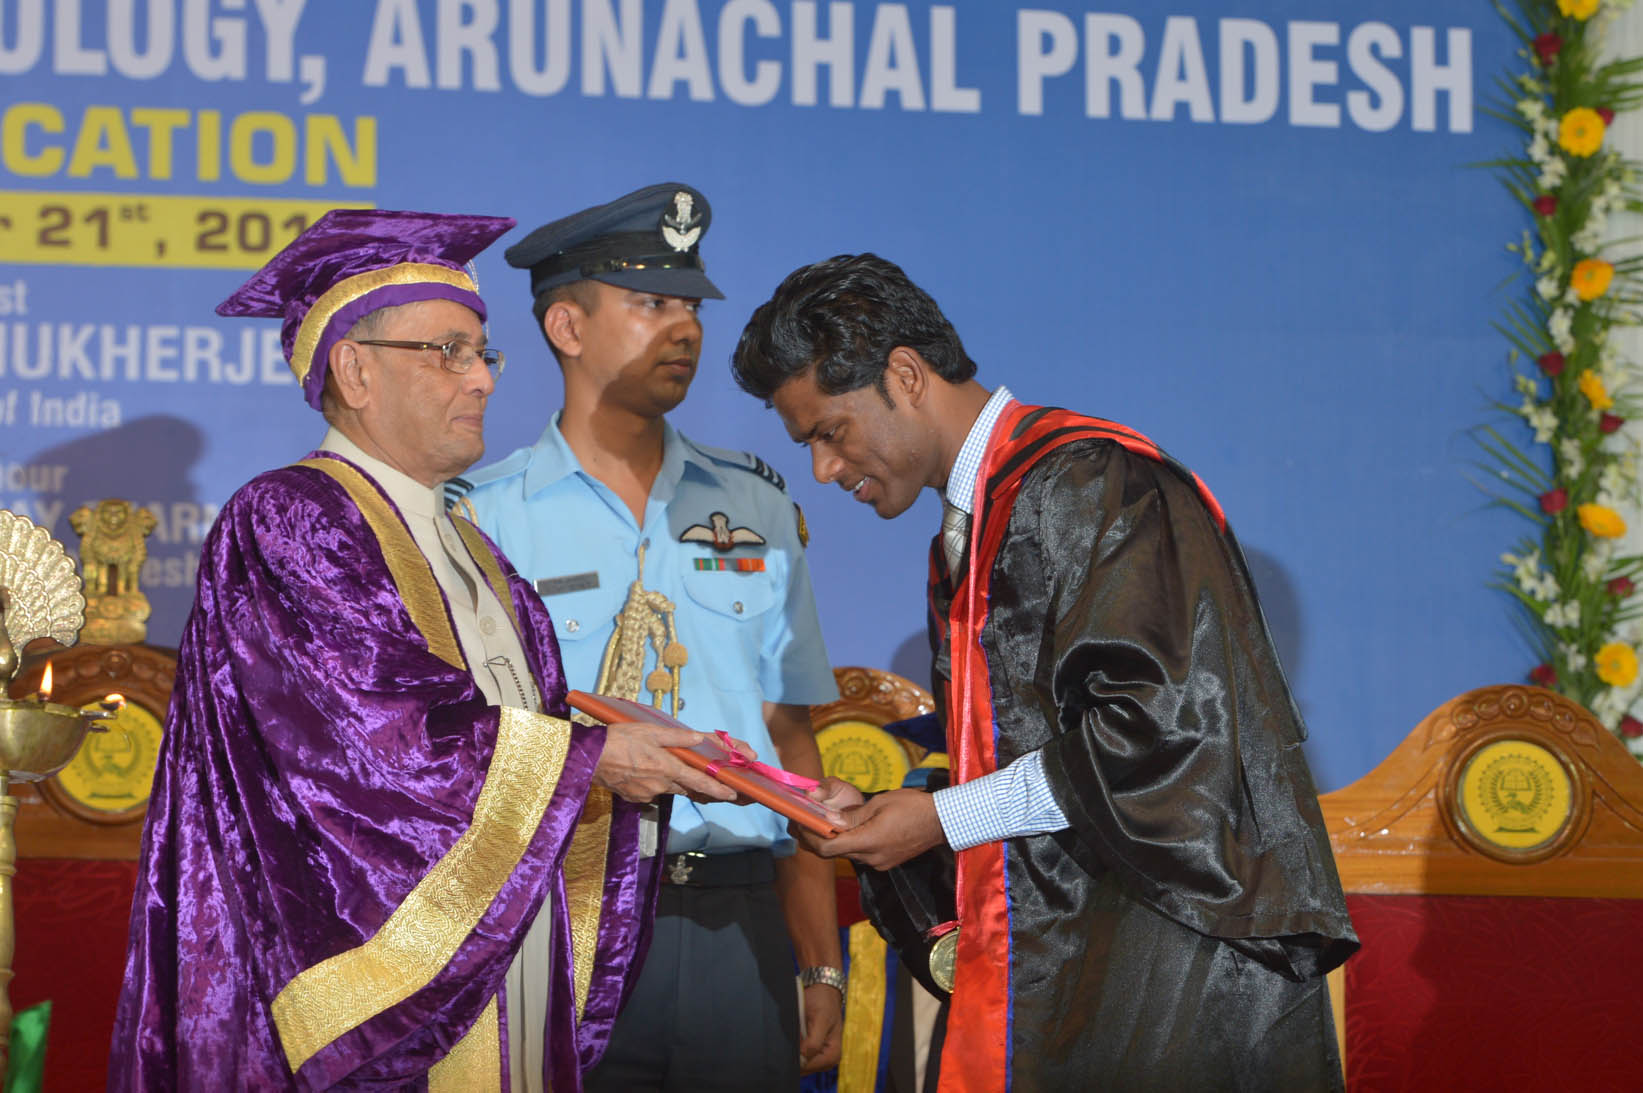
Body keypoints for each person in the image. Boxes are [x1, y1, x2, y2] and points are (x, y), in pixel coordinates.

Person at [108, 209, 735, 1092]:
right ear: (356, 371)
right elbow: (375, 750)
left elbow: (509, 748)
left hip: (497, 964)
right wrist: (591, 758)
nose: (481, 379)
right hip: (378, 1000)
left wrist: (615, 747)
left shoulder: (478, 554)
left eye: (484, 354)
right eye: (446, 352)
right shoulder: (292, 519)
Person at [730, 253, 1360, 1091]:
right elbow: (1039, 748)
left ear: (905, 375)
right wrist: (908, 812)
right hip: (1086, 959)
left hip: (1172, 970)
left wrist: (941, 817)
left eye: (828, 431)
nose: (823, 468)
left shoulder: (1093, 484)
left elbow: (1155, 736)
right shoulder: (983, 517)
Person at [455, 184, 845, 1091]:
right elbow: (471, 755)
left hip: (737, 933)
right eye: (650, 303)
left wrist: (819, 961)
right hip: (563, 922)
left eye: (691, 307)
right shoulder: (481, 521)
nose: (686, 329)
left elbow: (791, 739)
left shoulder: (753, 504)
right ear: (566, 325)